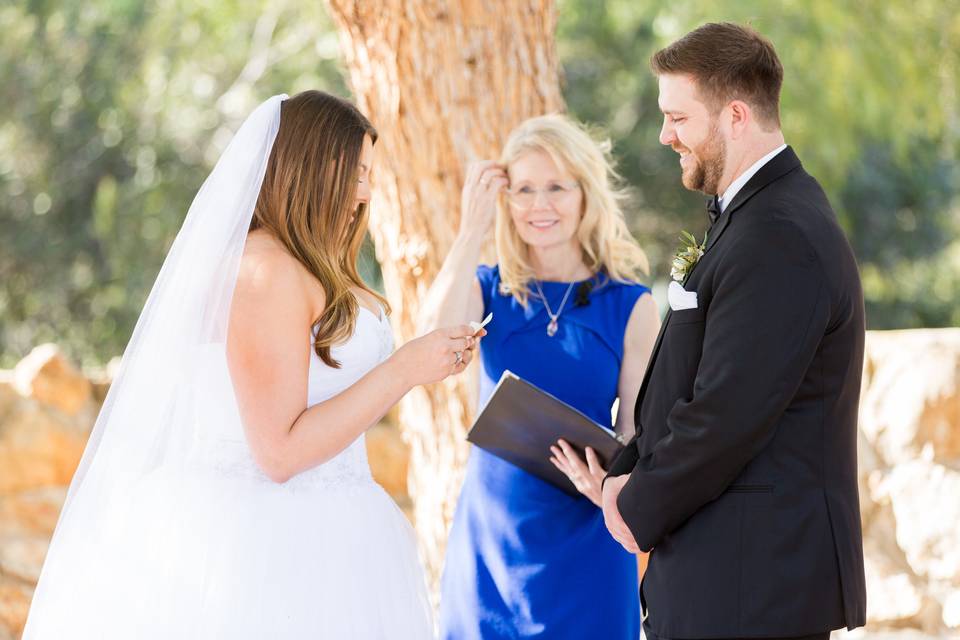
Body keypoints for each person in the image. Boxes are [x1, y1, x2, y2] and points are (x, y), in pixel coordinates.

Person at [23, 91, 482, 639]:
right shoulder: (263, 273)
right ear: (309, 165)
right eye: (355, 173)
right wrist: (406, 368)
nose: (365, 193)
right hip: (264, 547)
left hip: (339, 530)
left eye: (369, 174)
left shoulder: (307, 266)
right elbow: (279, 451)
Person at [602, 23, 867, 640]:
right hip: (734, 574)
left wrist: (635, 505)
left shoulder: (779, 234)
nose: (666, 136)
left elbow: (728, 412)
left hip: (755, 582)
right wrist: (627, 464)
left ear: (736, 116)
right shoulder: (758, 217)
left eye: (679, 119)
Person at [420, 114, 659, 639]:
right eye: (524, 189)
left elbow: (642, 432)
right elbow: (431, 342)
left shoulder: (631, 306)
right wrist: (471, 230)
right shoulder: (487, 290)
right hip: (493, 546)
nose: (539, 205)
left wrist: (612, 484)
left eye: (556, 187)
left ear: (584, 195)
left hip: (589, 542)